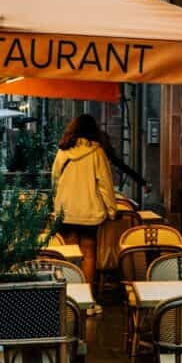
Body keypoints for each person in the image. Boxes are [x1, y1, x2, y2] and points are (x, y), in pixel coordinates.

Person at [51, 114, 118, 282]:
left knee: (70, 254)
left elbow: (55, 180)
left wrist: (56, 204)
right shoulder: (98, 152)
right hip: (90, 213)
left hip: (66, 211)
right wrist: (111, 210)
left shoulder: (63, 151)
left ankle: (70, 295)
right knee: (88, 254)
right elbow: (105, 185)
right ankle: (87, 296)